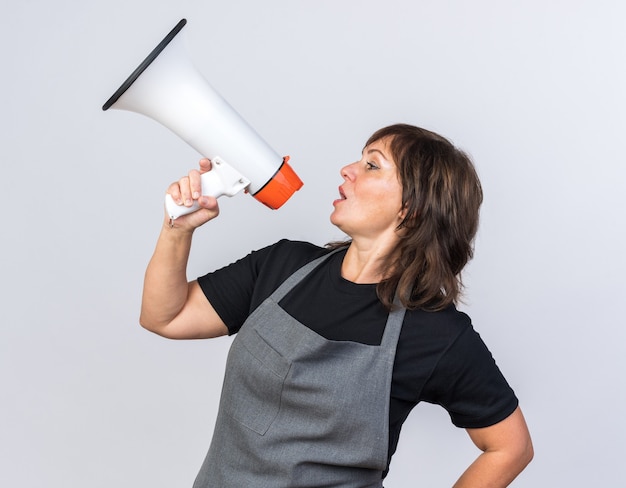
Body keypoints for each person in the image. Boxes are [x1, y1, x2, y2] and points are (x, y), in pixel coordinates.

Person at [139, 123, 533, 487]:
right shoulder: (282, 266)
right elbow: (165, 316)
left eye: (371, 165)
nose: (347, 169)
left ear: (411, 209)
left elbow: (510, 446)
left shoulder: (435, 333)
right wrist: (177, 229)